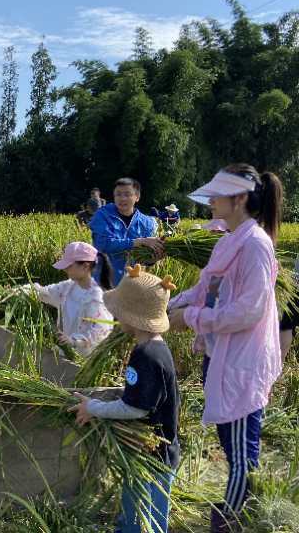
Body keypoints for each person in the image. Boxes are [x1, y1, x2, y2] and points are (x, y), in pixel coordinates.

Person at [168, 164, 283, 532]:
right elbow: (208, 290)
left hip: (240, 360)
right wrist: (171, 302)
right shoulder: (229, 241)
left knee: (239, 449)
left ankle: (230, 519)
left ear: (241, 198)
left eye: (218, 195)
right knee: (230, 439)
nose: (211, 201)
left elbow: (249, 310)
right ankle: (234, 506)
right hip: (219, 354)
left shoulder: (255, 246)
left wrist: (192, 318)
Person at [71, 264, 180, 533]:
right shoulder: (156, 349)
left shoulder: (145, 356)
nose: (117, 319)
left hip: (154, 456)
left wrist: (93, 407)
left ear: (131, 317)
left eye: (119, 313)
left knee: (146, 521)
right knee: (134, 512)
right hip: (150, 451)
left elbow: (135, 408)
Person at [18, 242, 113, 357]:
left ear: (85, 266)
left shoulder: (95, 298)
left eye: (69, 266)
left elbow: (101, 330)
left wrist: (74, 341)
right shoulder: (68, 287)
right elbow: (43, 292)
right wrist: (19, 291)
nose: (65, 269)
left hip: (83, 358)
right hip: (62, 353)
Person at [90, 178, 163, 288]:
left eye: (127, 194)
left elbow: (144, 259)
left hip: (131, 286)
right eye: (118, 194)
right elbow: (103, 244)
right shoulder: (102, 215)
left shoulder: (147, 224)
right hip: (103, 283)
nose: (122, 198)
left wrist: (153, 258)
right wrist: (138, 242)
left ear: (137, 197)